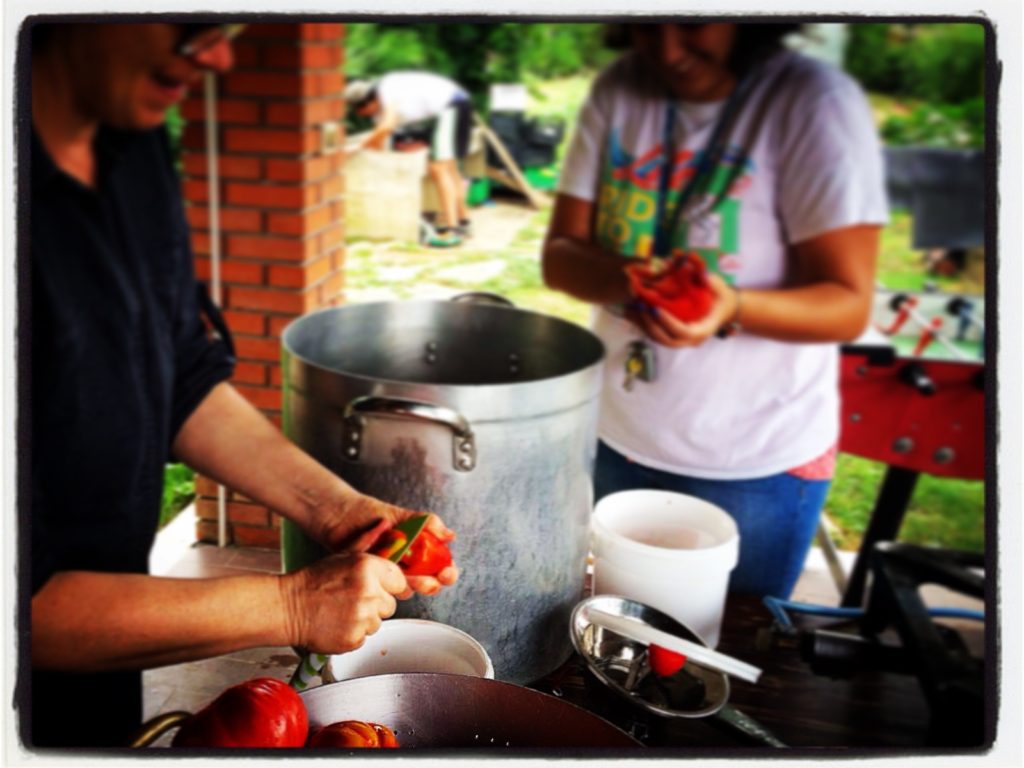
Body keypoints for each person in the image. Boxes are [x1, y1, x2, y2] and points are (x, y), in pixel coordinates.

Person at [27, 22, 458, 748]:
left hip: (92, 683)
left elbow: (181, 375)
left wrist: (334, 509)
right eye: (194, 23)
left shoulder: (128, 148)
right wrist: (291, 606)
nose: (222, 57)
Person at [542, 23, 888, 598]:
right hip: (614, 438)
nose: (668, 50)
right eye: (647, 24)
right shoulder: (621, 88)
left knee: (731, 659)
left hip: (755, 462)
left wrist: (730, 306)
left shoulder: (811, 101)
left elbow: (848, 303)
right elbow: (561, 258)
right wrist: (628, 278)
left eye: (695, 20)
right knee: (613, 633)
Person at [344, 72, 473, 247]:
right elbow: (379, 141)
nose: (365, 116)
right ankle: (463, 223)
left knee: (439, 168)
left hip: (451, 104)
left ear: (370, 101)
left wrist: (355, 148)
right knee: (449, 168)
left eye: (363, 112)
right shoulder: (378, 108)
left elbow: (386, 127)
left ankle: (453, 230)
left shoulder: (387, 90)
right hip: (449, 107)